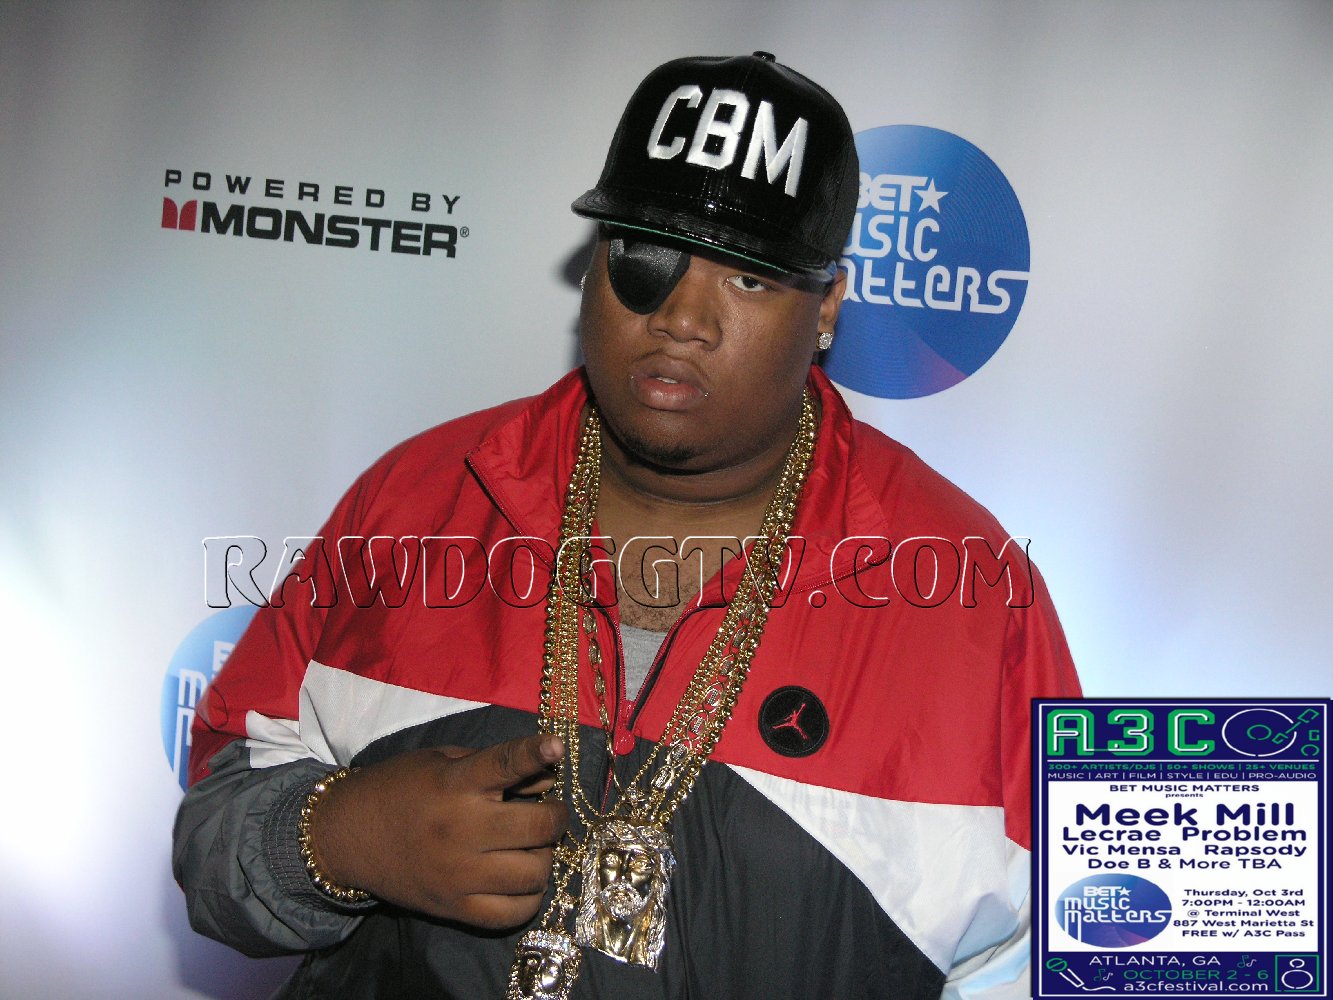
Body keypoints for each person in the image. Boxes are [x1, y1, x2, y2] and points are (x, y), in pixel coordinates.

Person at [174, 52, 1080, 1000]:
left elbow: (1078, 942)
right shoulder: (416, 499)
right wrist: (337, 838)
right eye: (647, 254)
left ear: (827, 307)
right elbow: (214, 833)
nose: (683, 318)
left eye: (748, 278)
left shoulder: (975, 592)